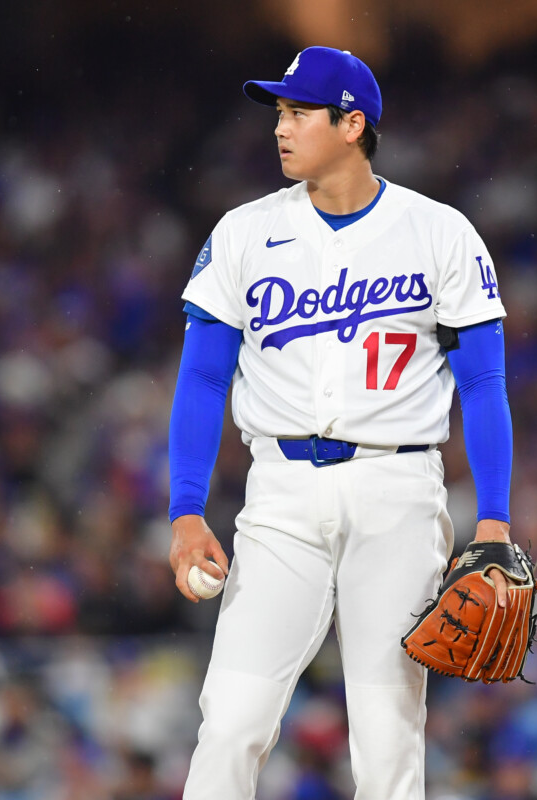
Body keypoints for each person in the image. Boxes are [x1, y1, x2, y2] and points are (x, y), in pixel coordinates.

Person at [166, 46, 514, 799]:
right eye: (280, 113)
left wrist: (493, 519)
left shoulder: (439, 232)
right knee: (230, 720)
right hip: (282, 494)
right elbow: (201, 376)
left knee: (389, 737)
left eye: (298, 113)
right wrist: (187, 508)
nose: (281, 129)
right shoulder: (243, 233)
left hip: (398, 488)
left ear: (352, 123)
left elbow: (484, 382)